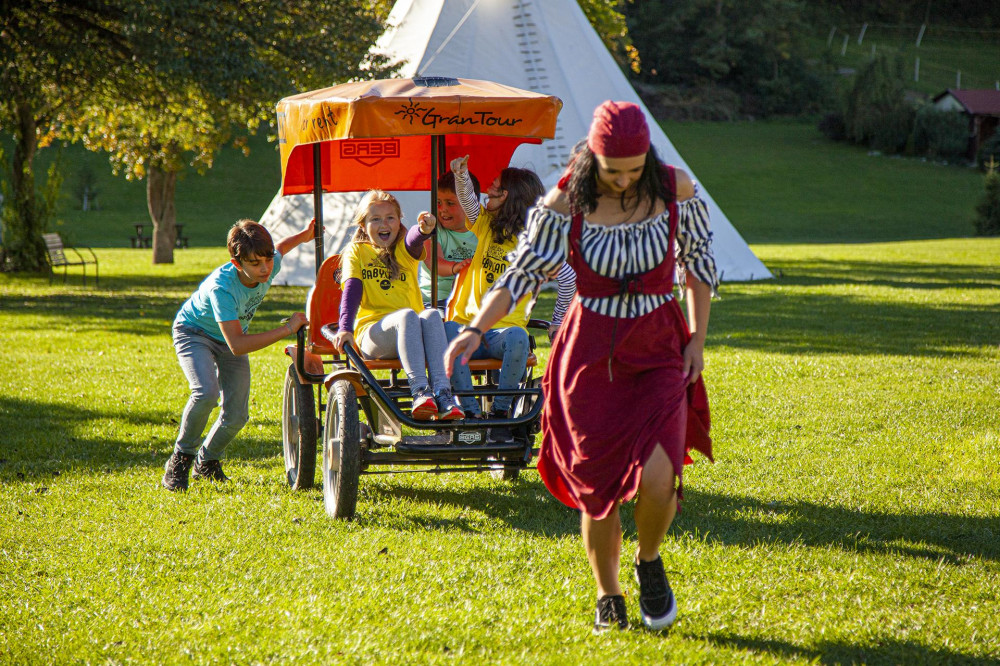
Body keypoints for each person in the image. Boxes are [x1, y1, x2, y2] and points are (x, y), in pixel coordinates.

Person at [445, 101, 718, 632]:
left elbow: (699, 265)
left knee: (661, 477)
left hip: (658, 346)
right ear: (594, 158)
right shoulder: (563, 200)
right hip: (589, 355)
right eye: (613, 170)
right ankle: (608, 593)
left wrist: (697, 340)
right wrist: (476, 329)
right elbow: (520, 276)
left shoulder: (674, 189)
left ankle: (649, 560)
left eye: (635, 169)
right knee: (597, 491)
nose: (624, 180)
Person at [164, 218, 315, 492]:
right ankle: (181, 459)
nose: (265, 268)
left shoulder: (268, 263)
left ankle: (206, 461)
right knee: (206, 393)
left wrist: (305, 235)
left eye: (267, 261)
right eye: (255, 264)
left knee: (236, 415)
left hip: (231, 336)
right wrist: (288, 329)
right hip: (195, 333)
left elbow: (280, 247)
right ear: (237, 263)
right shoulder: (222, 288)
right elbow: (238, 345)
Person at [445, 156, 576, 435]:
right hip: (467, 328)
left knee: (518, 337)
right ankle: (471, 413)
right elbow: (468, 201)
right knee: (448, 330)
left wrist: (557, 321)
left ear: (506, 196)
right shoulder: (484, 223)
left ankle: (501, 413)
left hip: (502, 336)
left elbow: (568, 277)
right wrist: (461, 175)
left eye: (494, 187)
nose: (487, 192)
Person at [331, 189, 463, 421]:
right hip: (373, 334)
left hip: (411, 332)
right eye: (375, 219)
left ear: (399, 221)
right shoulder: (357, 251)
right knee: (407, 316)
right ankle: (420, 391)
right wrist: (345, 328)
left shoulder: (404, 248)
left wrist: (423, 229)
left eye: (390, 218)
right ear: (362, 225)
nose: (384, 224)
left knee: (431, 314)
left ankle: (443, 394)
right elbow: (351, 290)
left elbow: (414, 240)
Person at [417, 170, 481, 309]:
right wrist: (456, 267)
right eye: (438, 202)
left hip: (470, 301)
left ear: (470, 204)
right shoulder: (433, 228)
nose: (442, 209)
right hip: (436, 301)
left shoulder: (482, 231)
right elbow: (432, 262)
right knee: (441, 324)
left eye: (450, 203)